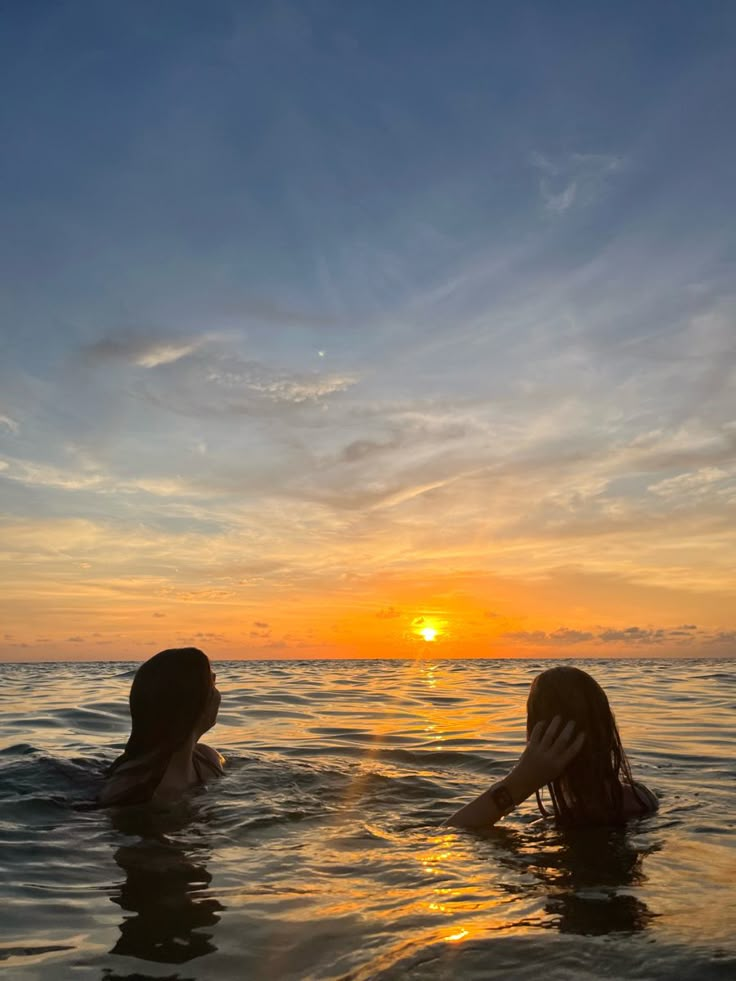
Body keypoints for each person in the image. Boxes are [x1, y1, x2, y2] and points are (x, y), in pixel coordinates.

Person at [447, 665, 658, 830]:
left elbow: (450, 835)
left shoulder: (545, 827)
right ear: (607, 729)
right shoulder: (643, 800)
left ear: (534, 736)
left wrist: (517, 784)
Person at [99, 647, 223, 806]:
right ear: (194, 704)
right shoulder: (132, 792)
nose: (219, 694)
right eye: (212, 681)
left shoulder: (209, 758)